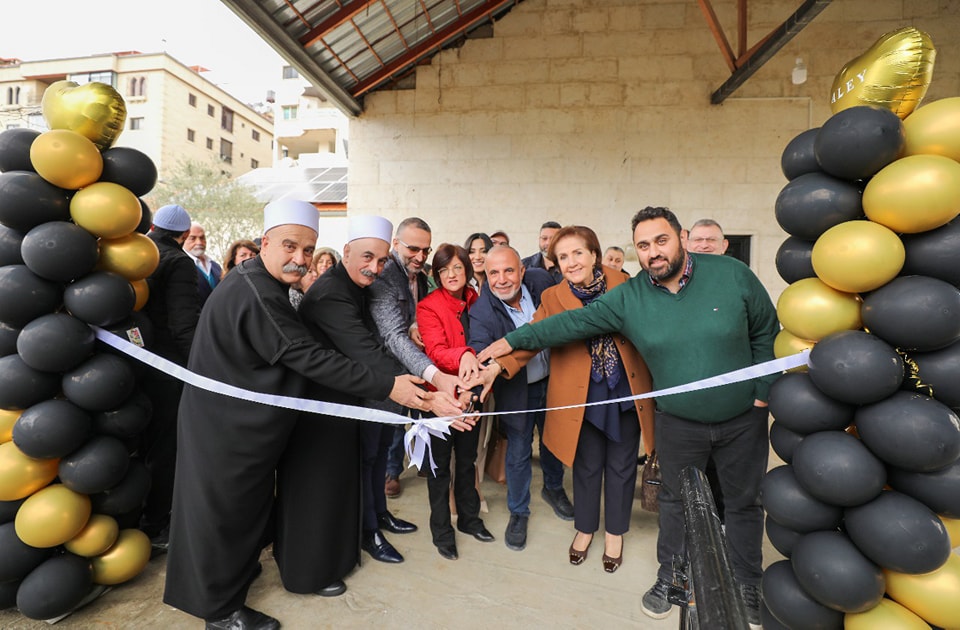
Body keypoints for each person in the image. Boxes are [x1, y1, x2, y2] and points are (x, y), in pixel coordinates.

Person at [479, 207, 778, 626]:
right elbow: (564, 325)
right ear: (635, 251)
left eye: (661, 240)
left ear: (682, 237)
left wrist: (762, 395)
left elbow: (766, 331)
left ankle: (747, 581)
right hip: (678, 422)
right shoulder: (630, 296)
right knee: (674, 502)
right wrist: (505, 345)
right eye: (643, 245)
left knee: (744, 503)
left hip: (742, 418)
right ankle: (669, 577)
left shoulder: (731, 274)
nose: (654, 252)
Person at [163, 200, 449, 630]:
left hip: (244, 421)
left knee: (243, 514)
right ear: (265, 243)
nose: (299, 258)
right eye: (290, 246)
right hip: (225, 425)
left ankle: (230, 580)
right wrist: (390, 385)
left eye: (307, 250)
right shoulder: (256, 290)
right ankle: (219, 613)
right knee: (221, 516)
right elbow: (305, 354)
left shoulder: (263, 282)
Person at [482, 226, 654, 573]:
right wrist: (498, 366)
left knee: (621, 467)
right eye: (563, 257)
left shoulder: (628, 285)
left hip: (624, 389)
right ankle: (585, 528)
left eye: (578, 253)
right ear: (556, 264)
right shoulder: (553, 297)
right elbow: (533, 338)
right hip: (579, 396)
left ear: (594, 253)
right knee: (587, 466)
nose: (572, 262)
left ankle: (615, 533)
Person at [469, 245, 573, 552]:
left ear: (523, 271)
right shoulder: (482, 311)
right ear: (485, 276)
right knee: (518, 449)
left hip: (554, 381)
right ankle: (518, 511)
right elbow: (480, 351)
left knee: (553, 440)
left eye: (509, 270)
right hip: (517, 389)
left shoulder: (541, 282)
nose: (502, 279)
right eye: (493, 273)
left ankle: (554, 489)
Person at [369, 218, 465, 503]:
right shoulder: (386, 276)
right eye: (413, 249)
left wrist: (414, 326)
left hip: (412, 370)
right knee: (381, 443)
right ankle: (387, 482)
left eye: (426, 250)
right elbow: (393, 336)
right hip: (385, 375)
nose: (421, 257)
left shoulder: (422, 277)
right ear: (395, 244)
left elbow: (415, 317)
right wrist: (436, 375)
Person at [416, 243, 495, 560]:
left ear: (467, 271)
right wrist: (464, 355)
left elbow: (485, 341)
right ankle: (441, 531)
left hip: (471, 395)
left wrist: (472, 377)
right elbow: (434, 351)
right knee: (439, 470)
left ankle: (469, 520)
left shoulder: (477, 301)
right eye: (444, 269)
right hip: (441, 398)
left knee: (467, 463)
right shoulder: (428, 306)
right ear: (436, 274)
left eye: (457, 268)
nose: (452, 274)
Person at [140, 204, 201, 552]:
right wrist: (202, 366)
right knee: (167, 447)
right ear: (182, 235)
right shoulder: (179, 263)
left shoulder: (140, 253)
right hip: (169, 370)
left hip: (136, 363)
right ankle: (157, 523)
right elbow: (183, 325)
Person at [184, 221, 222, 305]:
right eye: (193, 238)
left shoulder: (215, 266)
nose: (199, 242)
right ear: (184, 239)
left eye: (202, 238)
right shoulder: (181, 266)